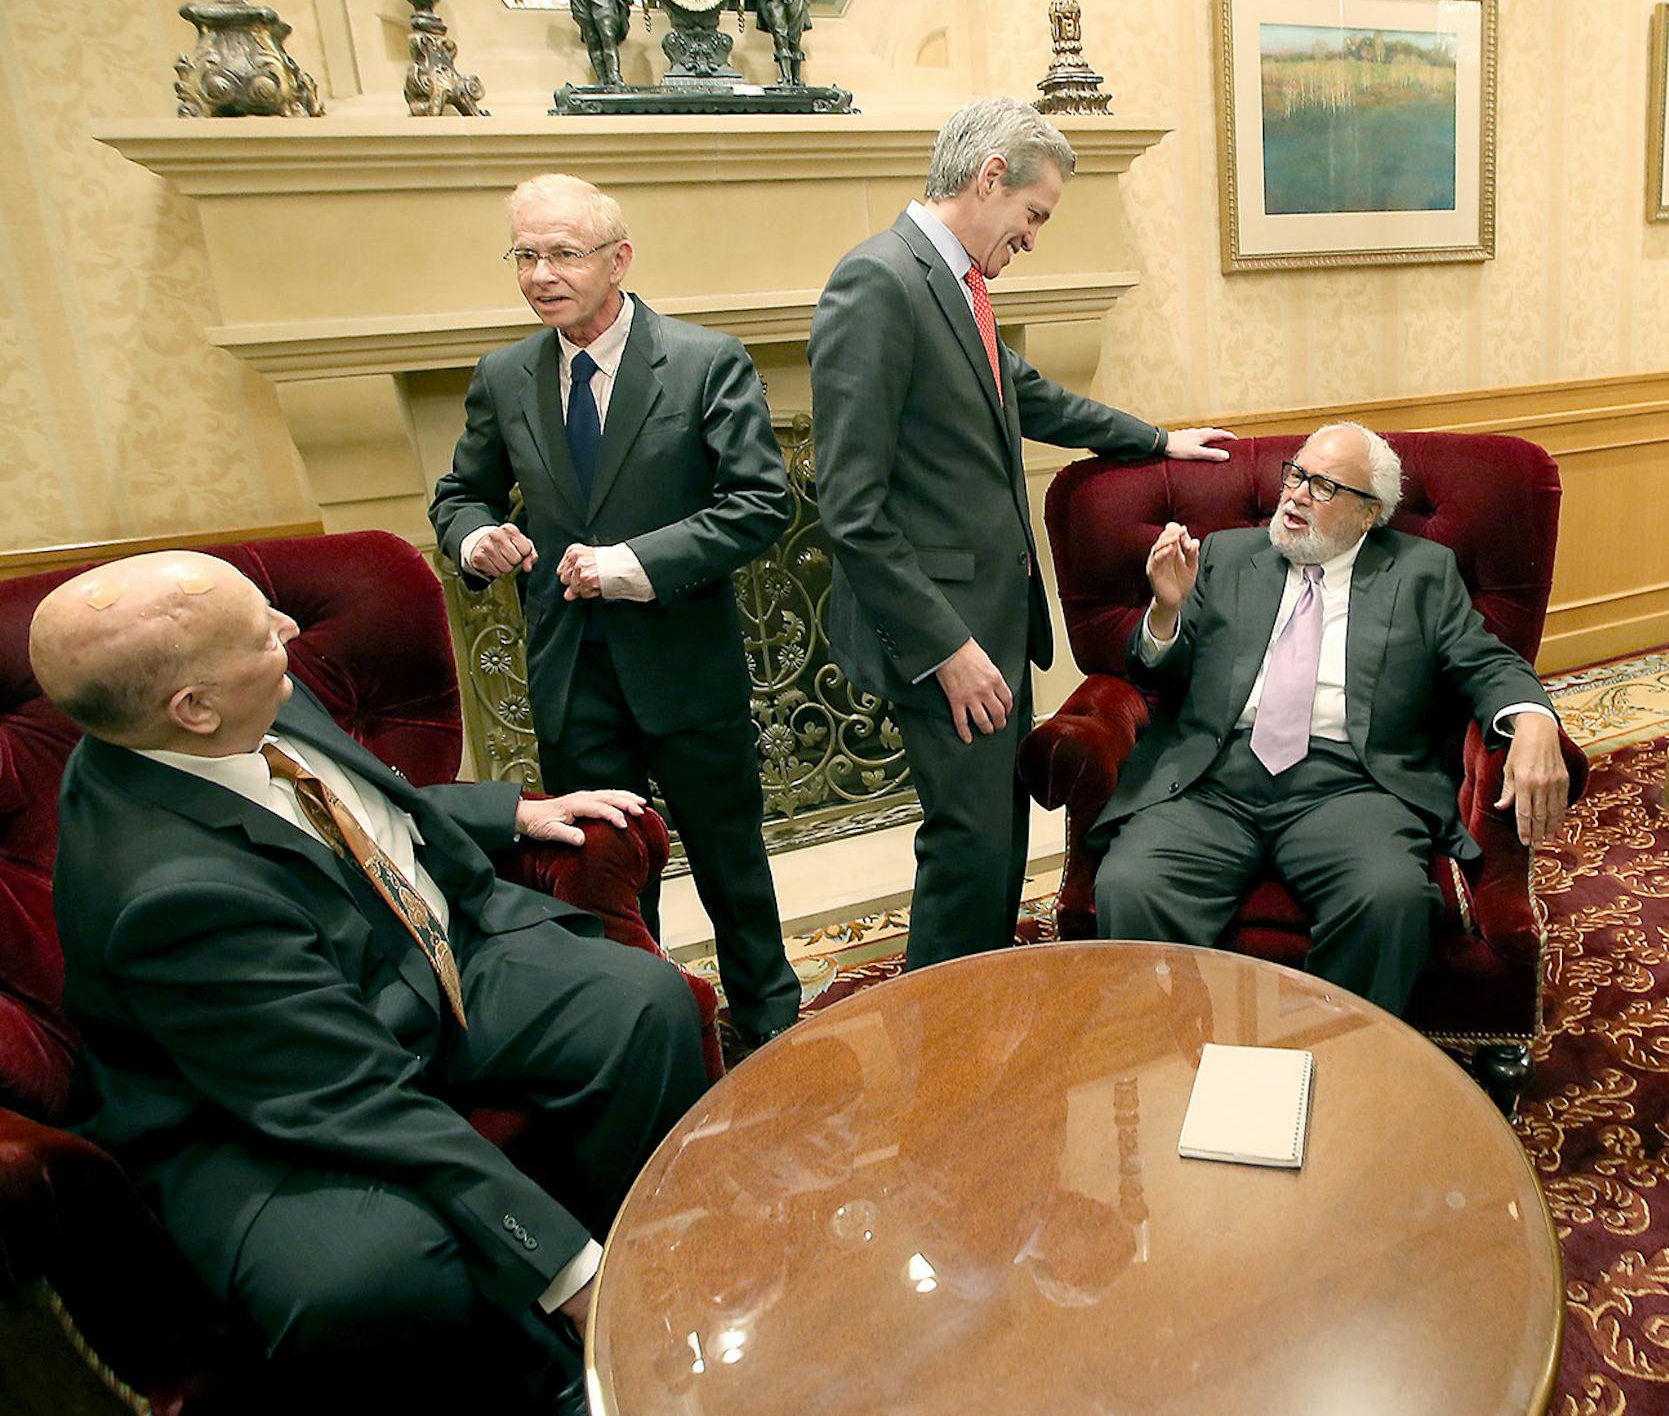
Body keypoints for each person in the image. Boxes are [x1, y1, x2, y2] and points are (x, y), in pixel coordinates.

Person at [33, 551, 708, 1414]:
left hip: (417, 954)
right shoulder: (169, 895)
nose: (287, 634)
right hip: (260, 1099)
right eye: (262, 634)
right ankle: (566, 1378)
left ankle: (663, 1254)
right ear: (191, 709)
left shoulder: (234, 697)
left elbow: (357, 799)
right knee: (379, 1270)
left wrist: (511, 810)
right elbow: (351, 1096)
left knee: (641, 1006)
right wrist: (571, 1271)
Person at [807, 96, 1233, 972]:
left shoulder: (955, 284)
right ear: (989, 176)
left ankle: (992, 1007)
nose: (1034, 237)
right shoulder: (877, 283)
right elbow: (850, 507)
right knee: (968, 848)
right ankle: (950, 1044)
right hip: (944, 633)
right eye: (1034, 213)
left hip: (990, 621)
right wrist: (946, 650)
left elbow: (1029, 394)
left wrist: (1156, 440)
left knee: (997, 835)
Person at [431, 173, 803, 1048]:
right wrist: (476, 538)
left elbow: (760, 502)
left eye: (562, 252)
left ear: (618, 258)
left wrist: (632, 563)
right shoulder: (505, 375)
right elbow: (459, 494)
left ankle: (776, 1030)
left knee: (731, 866)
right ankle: (649, 1029)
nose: (539, 274)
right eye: (525, 254)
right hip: (571, 673)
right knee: (607, 875)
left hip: (685, 665)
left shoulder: (706, 360)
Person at [1088, 423, 1570, 1016]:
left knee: (1389, 899)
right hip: (1213, 781)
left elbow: (1486, 661)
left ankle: (1336, 1062)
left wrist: (1533, 718)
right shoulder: (1226, 556)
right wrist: (1167, 610)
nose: (1294, 495)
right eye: (1295, 475)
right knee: (1130, 887)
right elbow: (1157, 674)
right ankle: (1179, 1049)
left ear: (1369, 514)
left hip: (1350, 787)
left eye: (1323, 487)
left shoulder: (1422, 573)